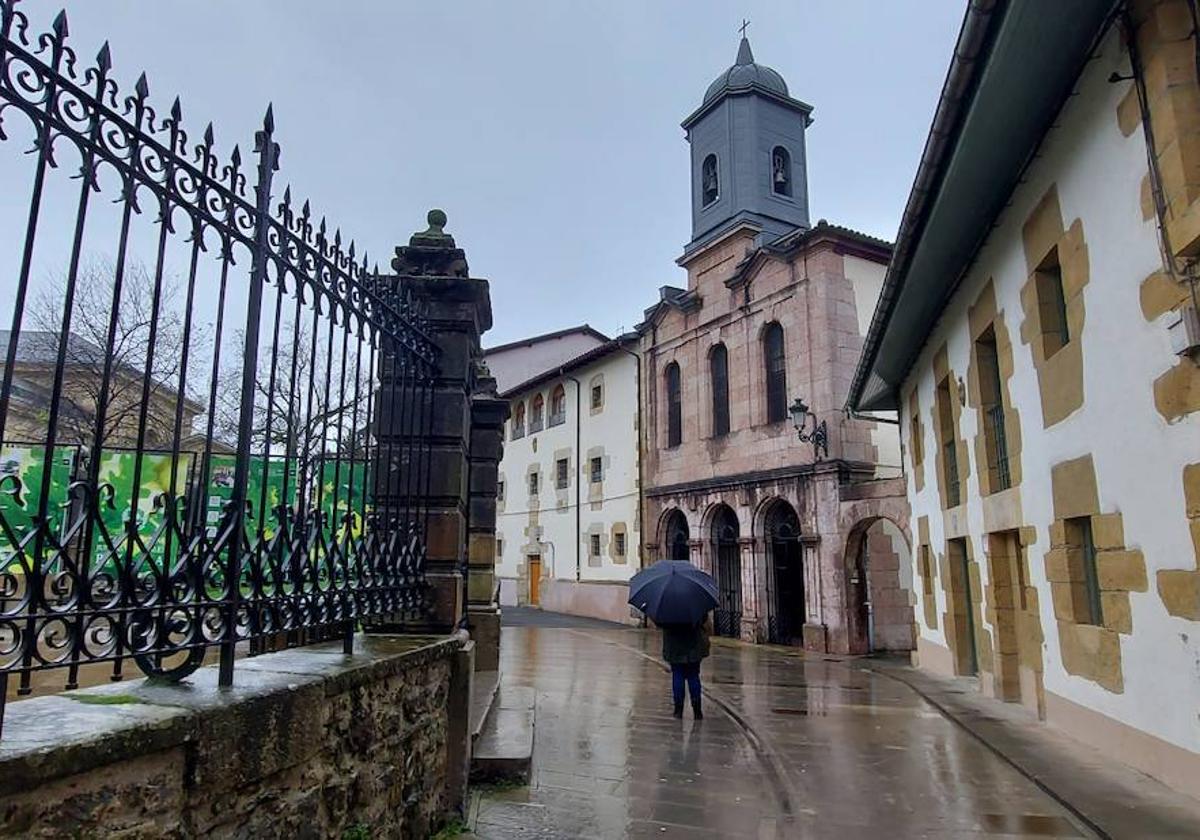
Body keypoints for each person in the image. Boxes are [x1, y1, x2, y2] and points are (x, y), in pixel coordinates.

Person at [660, 612, 711, 719]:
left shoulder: (667, 604)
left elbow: (660, 622)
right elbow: (703, 618)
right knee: (693, 676)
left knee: (677, 675)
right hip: (693, 643)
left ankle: (678, 710)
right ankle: (697, 710)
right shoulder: (696, 600)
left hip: (674, 645)